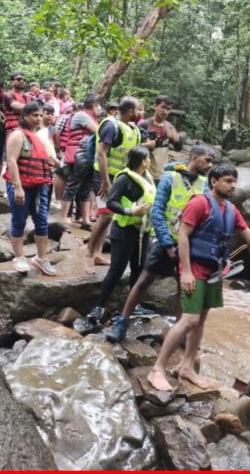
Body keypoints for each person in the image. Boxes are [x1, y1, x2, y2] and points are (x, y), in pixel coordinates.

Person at [146, 164, 250, 391]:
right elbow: (183, 236)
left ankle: (187, 367)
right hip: (194, 269)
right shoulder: (199, 203)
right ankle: (158, 369)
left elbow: (249, 236)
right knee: (189, 320)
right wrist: (185, 271)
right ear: (214, 181)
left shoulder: (231, 210)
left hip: (214, 271)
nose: (233, 186)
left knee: (201, 320)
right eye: (228, 181)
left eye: (234, 182)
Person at [106, 144, 215, 343]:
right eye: (207, 160)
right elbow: (157, 212)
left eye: (212, 161)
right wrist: (166, 243)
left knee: (184, 289)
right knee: (143, 282)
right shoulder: (169, 178)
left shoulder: (204, 184)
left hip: (189, 245)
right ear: (194, 157)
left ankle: (179, 333)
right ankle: (121, 323)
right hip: (166, 241)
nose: (210, 165)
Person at [87, 146, 154, 324]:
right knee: (116, 270)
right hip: (124, 231)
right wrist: (129, 211)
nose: (150, 160)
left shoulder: (146, 177)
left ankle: (134, 306)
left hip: (142, 232)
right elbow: (111, 202)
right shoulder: (124, 178)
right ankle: (98, 308)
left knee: (138, 269)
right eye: (148, 158)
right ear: (142, 160)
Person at [85, 96, 145, 274]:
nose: (142, 112)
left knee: (108, 217)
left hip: (119, 177)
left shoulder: (133, 129)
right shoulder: (111, 126)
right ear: (130, 111)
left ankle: (97, 253)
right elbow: (101, 154)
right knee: (106, 216)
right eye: (139, 109)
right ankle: (88, 255)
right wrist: (105, 182)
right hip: (103, 175)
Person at [4, 102, 57, 276]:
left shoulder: (39, 136)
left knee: (41, 220)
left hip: (39, 185)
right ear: (25, 116)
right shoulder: (18, 135)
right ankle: (19, 257)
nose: (39, 119)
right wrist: (17, 187)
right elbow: (11, 161)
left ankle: (41, 258)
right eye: (35, 115)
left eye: (41, 115)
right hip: (21, 185)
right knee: (19, 220)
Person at [58, 95, 100, 228]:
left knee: (86, 188)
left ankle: (85, 219)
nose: (99, 109)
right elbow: (98, 131)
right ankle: (64, 217)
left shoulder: (90, 117)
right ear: (93, 106)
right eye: (98, 106)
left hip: (87, 156)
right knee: (72, 185)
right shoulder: (82, 115)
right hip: (78, 155)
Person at [138, 95, 181, 181]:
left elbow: (178, 148)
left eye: (168, 109)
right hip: (144, 174)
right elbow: (133, 147)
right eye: (163, 107)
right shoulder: (145, 125)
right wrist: (145, 145)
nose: (165, 111)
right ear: (155, 106)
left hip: (162, 174)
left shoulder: (169, 127)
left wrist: (176, 140)